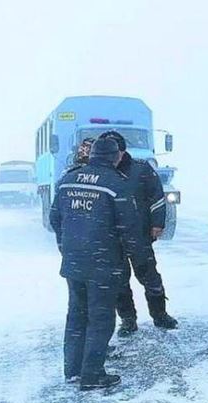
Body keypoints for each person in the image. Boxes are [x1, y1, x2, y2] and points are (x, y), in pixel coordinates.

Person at [49, 137, 152, 390]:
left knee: (76, 316)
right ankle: (92, 375)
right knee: (101, 319)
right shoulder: (117, 184)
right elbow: (129, 227)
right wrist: (138, 258)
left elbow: (54, 218)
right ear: (115, 157)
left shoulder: (67, 180)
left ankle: (73, 370)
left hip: (74, 262)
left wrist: (67, 245)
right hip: (104, 264)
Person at [97, 131, 178, 335]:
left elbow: (157, 198)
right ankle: (128, 320)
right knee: (119, 281)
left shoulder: (141, 170)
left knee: (150, 277)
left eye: (114, 152)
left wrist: (157, 224)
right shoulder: (102, 173)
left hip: (139, 235)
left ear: (122, 152)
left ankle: (160, 315)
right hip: (112, 239)